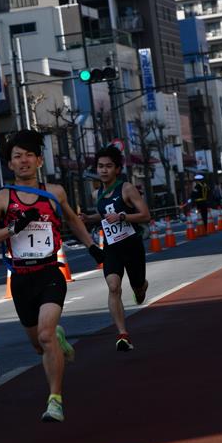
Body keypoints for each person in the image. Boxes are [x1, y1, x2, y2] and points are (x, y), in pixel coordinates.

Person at [0, 129, 104, 423]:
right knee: (39, 345)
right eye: (17, 157)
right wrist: (13, 228)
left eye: (28, 156)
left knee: (46, 335)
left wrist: (93, 249)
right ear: (9, 164)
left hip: (49, 272)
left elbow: (73, 220)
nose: (23, 161)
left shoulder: (55, 192)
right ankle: (57, 341)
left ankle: (55, 400)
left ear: (39, 160)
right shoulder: (2, 197)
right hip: (20, 279)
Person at [80, 145, 151, 352]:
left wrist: (122, 216)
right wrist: (88, 218)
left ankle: (141, 287)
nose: (103, 170)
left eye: (108, 166)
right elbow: (104, 217)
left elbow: (146, 215)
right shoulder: (98, 193)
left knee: (137, 286)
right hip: (112, 247)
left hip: (132, 245)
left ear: (117, 169)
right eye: (100, 166)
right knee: (113, 286)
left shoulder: (127, 188)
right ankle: (122, 334)